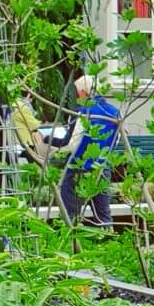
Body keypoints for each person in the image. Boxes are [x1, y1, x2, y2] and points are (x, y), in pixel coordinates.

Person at [56, 75, 121, 227]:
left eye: (78, 92)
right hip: (102, 167)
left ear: (84, 93)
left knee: (71, 215)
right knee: (103, 215)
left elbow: (71, 145)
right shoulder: (115, 112)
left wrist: (48, 141)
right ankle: (108, 243)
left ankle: (72, 244)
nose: (78, 96)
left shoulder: (84, 112)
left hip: (78, 168)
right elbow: (116, 141)